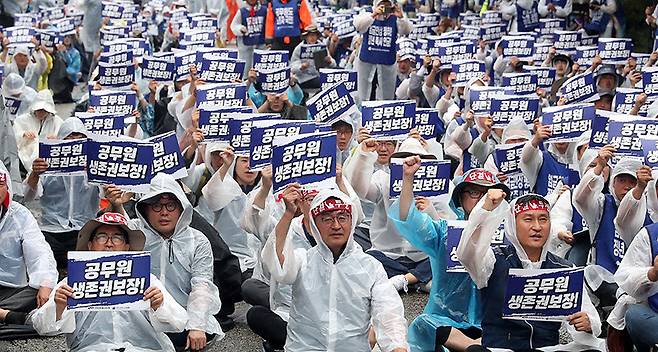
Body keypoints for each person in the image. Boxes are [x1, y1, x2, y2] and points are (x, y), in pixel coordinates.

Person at [262, 187, 409, 351]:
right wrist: (289, 214)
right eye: (327, 219)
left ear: (352, 221)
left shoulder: (370, 267)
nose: (336, 225)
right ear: (314, 224)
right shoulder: (303, 260)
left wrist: (397, 347)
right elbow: (277, 263)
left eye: (342, 217)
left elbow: (388, 313)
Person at [457, 190, 604, 350]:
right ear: (513, 224)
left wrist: (589, 323)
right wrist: (486, 207)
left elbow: (587, 313)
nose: (537, 227)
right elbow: (467, 252)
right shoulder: (493, 261)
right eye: (528, 219)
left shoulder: (564, 269)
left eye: (543, 219)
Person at [31, 212, 188, 351]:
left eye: (117, 237)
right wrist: (59, 307)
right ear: (90, 245)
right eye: (101, 236)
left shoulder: (147, 279)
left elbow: (179, 322)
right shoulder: (71, 282)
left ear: (127, 247)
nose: (109, 243)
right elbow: (41, 326)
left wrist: (159, 306)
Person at [388, 156, 488, 352]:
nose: (483, 198)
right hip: (443, 322)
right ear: (460, 198)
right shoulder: (445, 232)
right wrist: (408, 179)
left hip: (491, 323)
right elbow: (408, 219)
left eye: (489, 193)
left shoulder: (510, 237)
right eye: (475, 192)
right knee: (421, 325)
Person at [132, 173, 224, 351]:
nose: (164, 212)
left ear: (182, 208)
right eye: (156, 206)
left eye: (171, 205)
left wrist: (197, 325)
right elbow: (110, 242)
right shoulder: (135, 232)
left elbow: (202, 285)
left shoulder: (198, 240)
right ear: (145, 209)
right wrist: (116, 204)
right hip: (142, 315)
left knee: (195, 333)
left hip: (181, 315)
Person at [24, 118, 101, 276]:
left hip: (84, 230)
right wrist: (35, 174)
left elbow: (109, 194)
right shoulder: (46, 162)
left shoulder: (95, 164)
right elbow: (27, 196)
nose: (74, 142)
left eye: (79, 138)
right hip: (51, 230)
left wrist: (96, 173)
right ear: (60, 141)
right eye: (69, 138)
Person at [0, 161, 57, 327]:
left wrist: (46, 283)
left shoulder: (19, 214)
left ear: (8, 187)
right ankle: (8, 316)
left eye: (0, 184)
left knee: (44, 290)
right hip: (9, 303)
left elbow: (39, 251)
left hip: (13, 291)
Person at [354, 0, 412, 102]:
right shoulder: (367, 12)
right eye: (382, 3)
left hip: (386, 62)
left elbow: (406, 31)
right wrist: (374, 15)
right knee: (364, 95)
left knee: (386, 97)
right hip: (367, 61)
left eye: (387, 4)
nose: (385, 6)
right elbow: (359, 26)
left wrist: (401, 17)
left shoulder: (395, 16)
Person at [613, 221, 658, 352]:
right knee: (634, 315)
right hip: (654, 315)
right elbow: (626, 280)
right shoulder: (650, 234)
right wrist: (651, 273)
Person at [13, 89, 62, 174]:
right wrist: (23, 134)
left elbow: (64, 135)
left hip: (48, 155)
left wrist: (57, 138)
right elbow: (13, 137)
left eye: (44, 111)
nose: (41, 113)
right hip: (26, 153)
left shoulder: (56, 121)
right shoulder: (22, 119)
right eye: (39, 110)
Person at [291, 25, 336, 90]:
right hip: (304, 78)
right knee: (324, 82)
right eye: (310, 35)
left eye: (314, 35)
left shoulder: (321, 46)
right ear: (306, 37)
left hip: (319, 75)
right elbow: (293, 68)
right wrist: (301, 67)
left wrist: (329, 61)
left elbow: (333, 64)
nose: (312, 38)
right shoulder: (299, 48)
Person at [231, 0, 267, 75]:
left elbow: (269, 25)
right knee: (245, 69)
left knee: (261, 69)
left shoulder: (264, 10)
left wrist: (269, 40)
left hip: (261, 45)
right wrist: (240, 29)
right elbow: (234, 25)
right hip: (245, 46)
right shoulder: (242, 11)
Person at [53, 34, 81, 103]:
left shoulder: (76, 52)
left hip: (68, 76)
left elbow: (73, 66)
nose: (67, 39)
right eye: (65, 37)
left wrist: (65, 52)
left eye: (69, 37)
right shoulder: (56, 50)